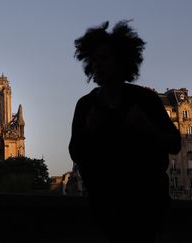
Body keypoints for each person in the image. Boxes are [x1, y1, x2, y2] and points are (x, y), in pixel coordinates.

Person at [69, 20, 181, 242]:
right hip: (105, 206)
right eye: (94, 59)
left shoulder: (146, 100)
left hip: (145, 205)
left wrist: (146, 128)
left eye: (104, 58)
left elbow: (174, 144)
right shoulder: (86, 104)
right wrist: (90, 130)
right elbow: (75, 152)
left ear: (121, 61)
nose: (98, 64)